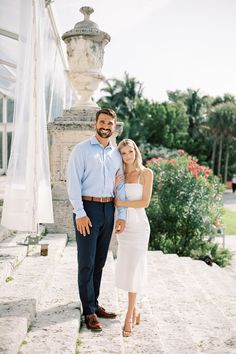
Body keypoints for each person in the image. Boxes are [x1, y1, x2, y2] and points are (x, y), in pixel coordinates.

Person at [67, 108, 127, 332]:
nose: (106, 126)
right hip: (88, 208)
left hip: (108, 209)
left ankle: (95, 303)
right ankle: (89, 311)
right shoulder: (81, 150)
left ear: (114, 126)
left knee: (100, 261)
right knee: (86, 263)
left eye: (110, 123)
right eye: (102, 122)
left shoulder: (116, 154)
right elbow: (73, 182)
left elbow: (119, 185)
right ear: (95, 124)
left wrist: (121, 215)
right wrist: (80, 212)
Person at [114, 139, 153, 337]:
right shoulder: (120, 174)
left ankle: (129, 314)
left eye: (130, 151)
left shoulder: (146, 174)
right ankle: (136, 310)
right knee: (127, 270)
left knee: (136, 270)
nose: (128, 156)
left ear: (136, 151)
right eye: (123, 153)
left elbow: (145, 202)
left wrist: (121, 201)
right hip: (124, 228)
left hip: (139, 229)